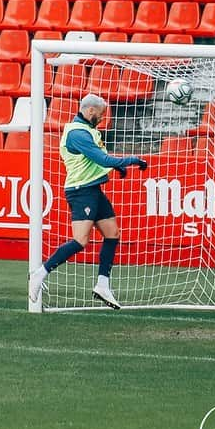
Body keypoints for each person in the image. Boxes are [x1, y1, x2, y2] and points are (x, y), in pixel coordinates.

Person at [29, 93, 147, 309]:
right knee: (81, 241)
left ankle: (102, 284)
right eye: (101, 114)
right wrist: (129, 160)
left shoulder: (88, 130)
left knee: (112, 233)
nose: (102, 118)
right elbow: (101, 158)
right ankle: (40, 273)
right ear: (90, 110)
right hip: (80, 190)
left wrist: (116, 167)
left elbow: (96, 161)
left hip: (93, 188)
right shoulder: (78, 134)